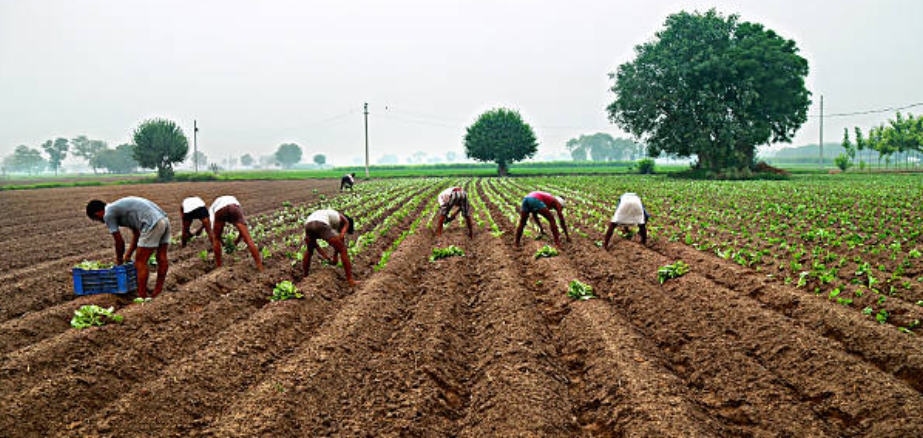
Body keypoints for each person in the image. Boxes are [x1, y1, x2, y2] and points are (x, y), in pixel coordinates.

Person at [86, 197, 170, 298]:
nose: (101, 221)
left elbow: (119, 242)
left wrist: (119, 260)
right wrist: (128, 255)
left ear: (97, 214)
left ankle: (142, 297)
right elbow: (136, 234)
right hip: (164, 220)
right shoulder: (120, 209)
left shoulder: (108, 214)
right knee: (161, 257)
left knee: (140, 262)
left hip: (152, 223)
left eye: (97, 219)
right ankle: (158, 290)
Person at [303, 209, 358, 286]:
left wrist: (325, 256)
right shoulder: (340, 218)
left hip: (308, 225)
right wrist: (342, 234)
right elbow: (346, 223)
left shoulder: (327, 215)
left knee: (309, 250)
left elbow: (314, 244)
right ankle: (350, 280)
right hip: (321, 224)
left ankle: (305, 275)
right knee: (343, 250)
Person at [209, 195, 264, 271]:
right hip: (233, 207)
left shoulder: (212, 209)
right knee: (248, 239)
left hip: (220, 210)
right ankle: (260, 266)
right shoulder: (234, 202)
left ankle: (219, 266)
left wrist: (223, 242)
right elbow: (242, 231)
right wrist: (236, 241)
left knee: (216, 238)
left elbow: (216, 234)